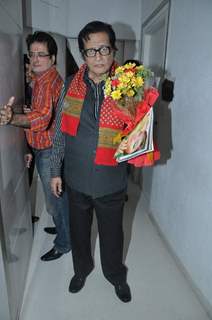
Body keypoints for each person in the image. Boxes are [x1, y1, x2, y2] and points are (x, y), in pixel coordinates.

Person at [50, 21, 131, 302]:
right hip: (76, 178)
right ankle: (81, 270)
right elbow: (60, 130)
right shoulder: (70, 84)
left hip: (111, 180)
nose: (98, 56)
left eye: (103, 48)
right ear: (82, 55)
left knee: (112, 235)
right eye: (90, 51)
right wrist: (55, 170)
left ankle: (115, 276)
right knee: (80, 232)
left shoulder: (129, 86)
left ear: (113, 49)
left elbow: (141, 132)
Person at [0, 31, 71, 261]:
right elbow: (42, 113)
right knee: (56, 200)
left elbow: (41, 120)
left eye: (42, 54)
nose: (36, 59)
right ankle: (63, 229)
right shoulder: (42, 80)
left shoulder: (48, 82)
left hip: (50, 151)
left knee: (56, 201)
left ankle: (64, 243)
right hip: (44, 149)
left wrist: (12, 119)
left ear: (53, 58)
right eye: (32, 54)